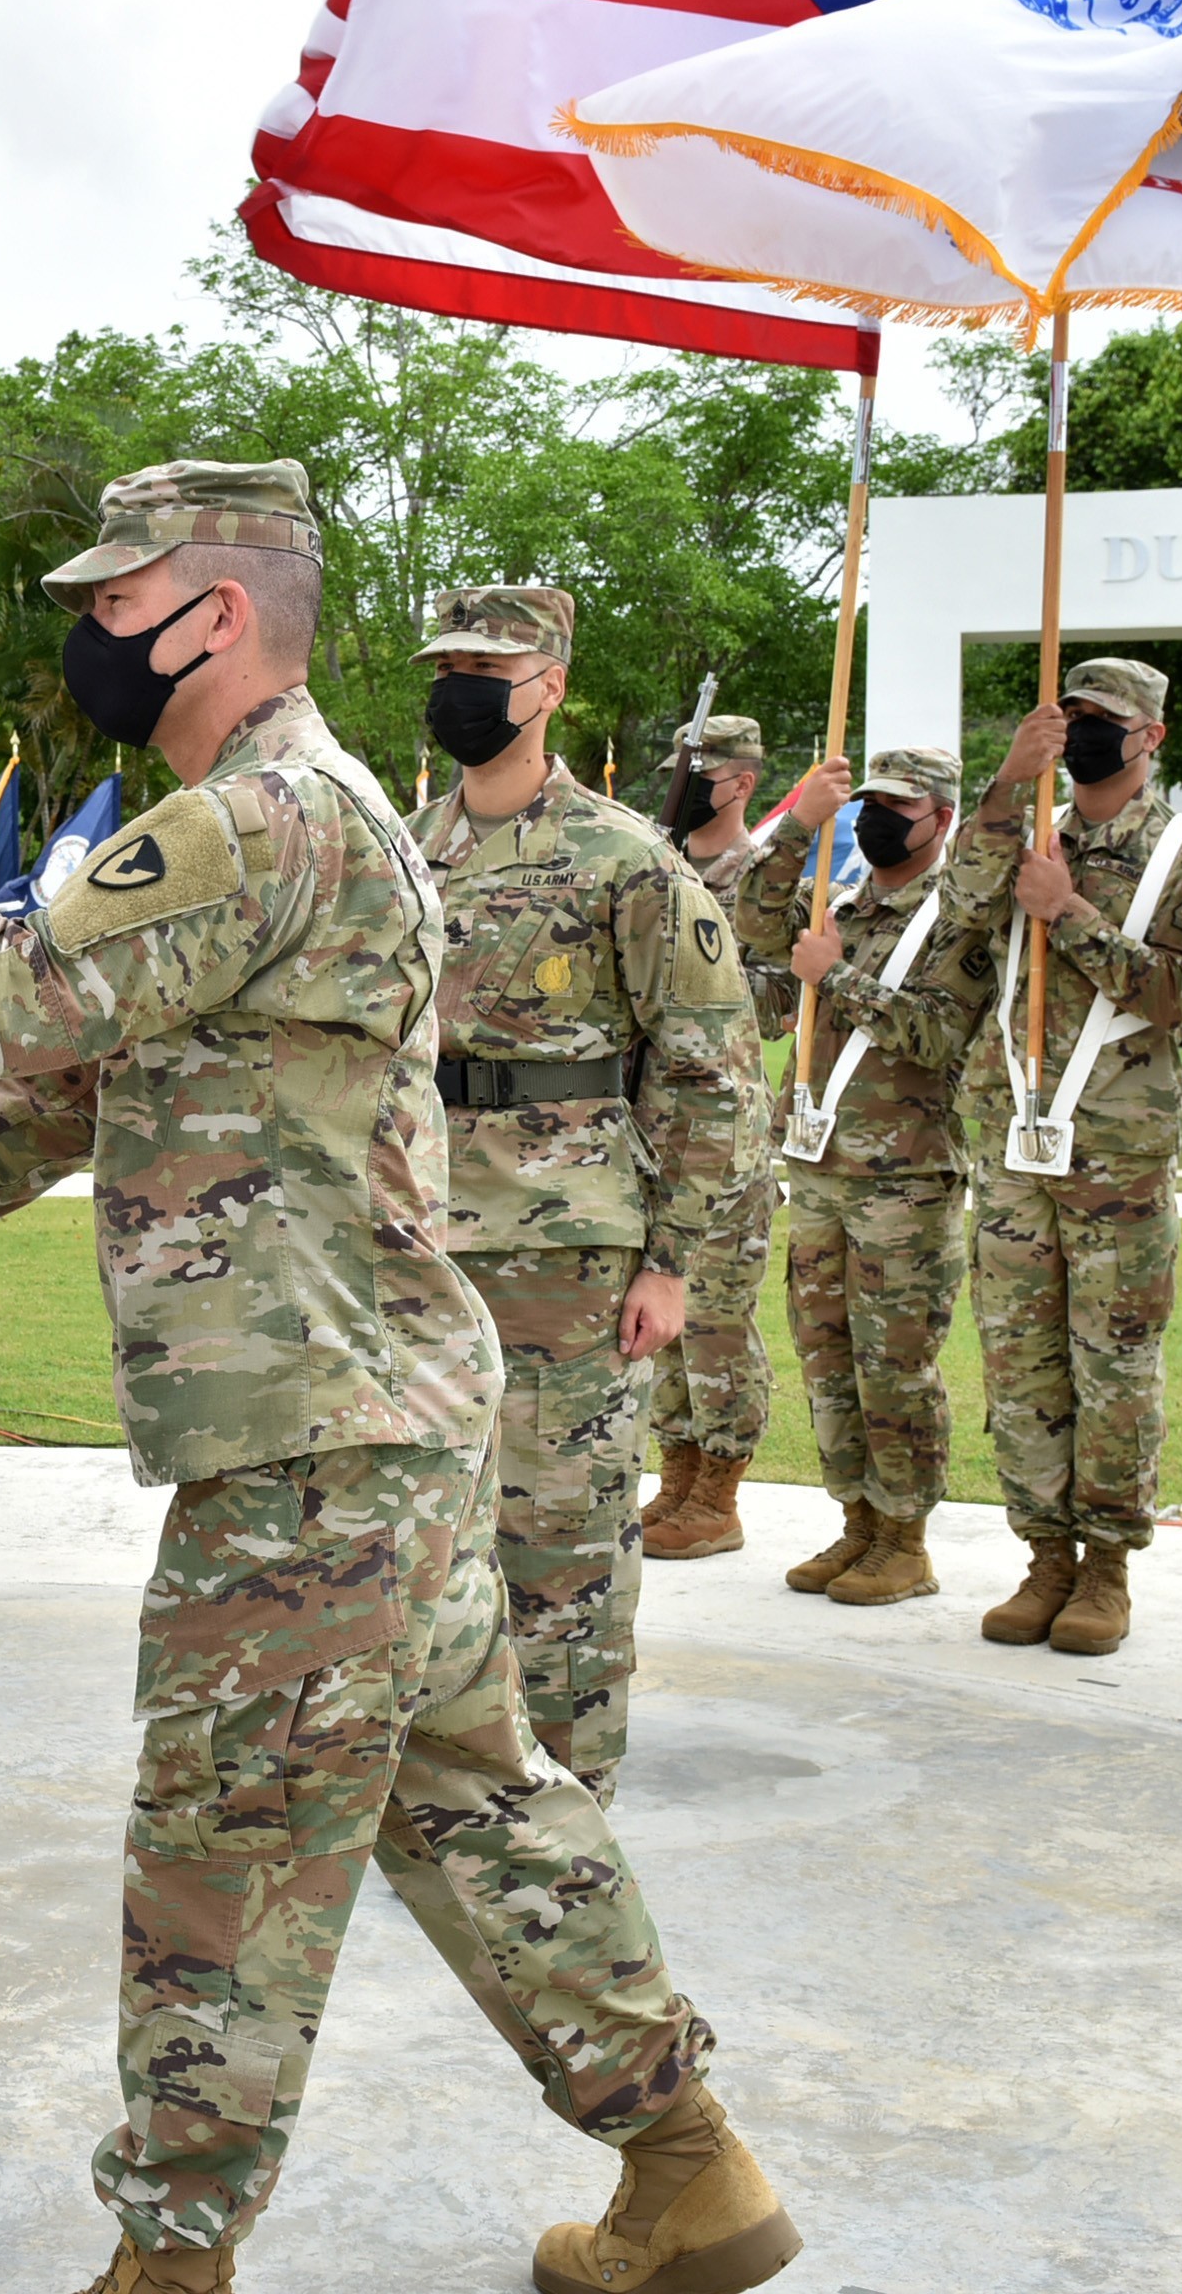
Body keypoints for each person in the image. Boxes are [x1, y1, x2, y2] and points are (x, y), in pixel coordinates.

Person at [0, 461, 798, 2294]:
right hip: (384, 1434)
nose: (85, 636)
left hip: (312, 1454)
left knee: (224, 1865)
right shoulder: (292, 822)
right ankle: (692, 2171)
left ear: (210, 613)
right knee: (477, 1814)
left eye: (111, 604)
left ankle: (169, 2266)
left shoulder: (261, 818)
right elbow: (63, 1086)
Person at [405, 591, 764, 1797]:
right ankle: (457, 1788)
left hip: (568, 1252)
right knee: (431, 1532)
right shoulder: (406, 850)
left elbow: (712, 1071)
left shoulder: (629, 860)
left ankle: (569, 1809)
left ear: (548, 684)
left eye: (485, 665)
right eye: (446, 664)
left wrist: (673, 1263)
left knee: (561, 1544)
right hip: (416, 1239)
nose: (459, 684)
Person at [937, 661, 1182, 1656]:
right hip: (1013, 1129)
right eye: (1075, 720)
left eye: (1108, 722)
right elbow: (956, 918)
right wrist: (1008, 788)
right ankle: (1044, 1550)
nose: (1089, 735)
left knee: (1112, 1357)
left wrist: (1069, 910)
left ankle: (1106, 1562)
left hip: (1116, 1136)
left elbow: (1175, 994)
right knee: (1019, 1354)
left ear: (1152, 735)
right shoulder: (1027, 828)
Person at [737, 746, 984, 1603]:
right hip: (821, 1164)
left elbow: (941, 1037)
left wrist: (834, 977)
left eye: (898, 806)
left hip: (903, 1177)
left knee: (895, 1363)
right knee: (826, 1356)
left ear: (942, 818)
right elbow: (750, 920)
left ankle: (906, 1540)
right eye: (868, 803)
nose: (878, 819)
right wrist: (800, 824)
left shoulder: (956, 917)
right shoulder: (835, 901)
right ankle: (858, 1522)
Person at [643, 714, 792, 1561]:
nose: (681, 784)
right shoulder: (657, 865)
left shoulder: (761, 876)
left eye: (697, 771)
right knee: (661, 1314)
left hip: (727, 1131)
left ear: (738, 782)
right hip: (652, 1126)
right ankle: (678, 1477)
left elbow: (768, 1001)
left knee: (718, 1318)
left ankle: (722, 1492)